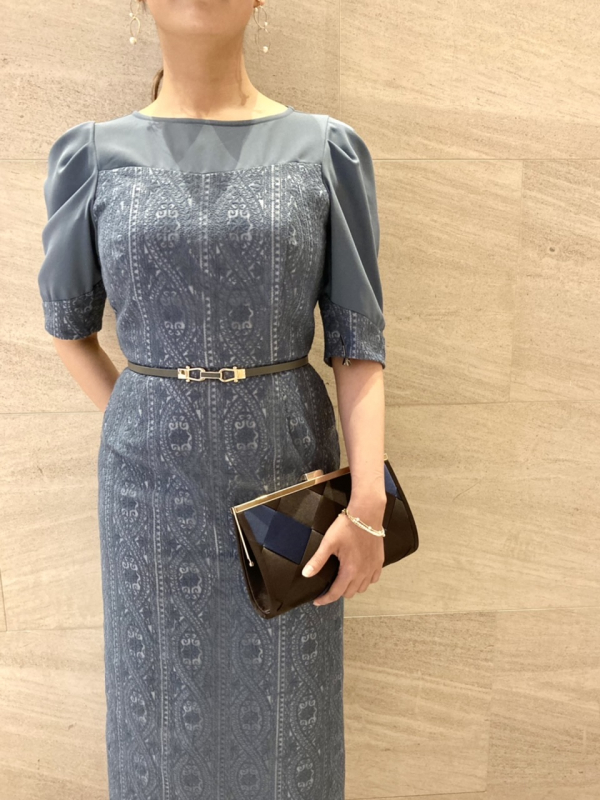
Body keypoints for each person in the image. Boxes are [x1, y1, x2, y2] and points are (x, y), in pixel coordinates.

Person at [37, 1, 388, 797]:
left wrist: (367, 505)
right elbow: (68, 329)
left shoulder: (325, 151)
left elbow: (357, 340)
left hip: (287, 489)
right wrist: (144, 424)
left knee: (289, 728)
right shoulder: (91, 157)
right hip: (148, 504)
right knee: (158, 723)